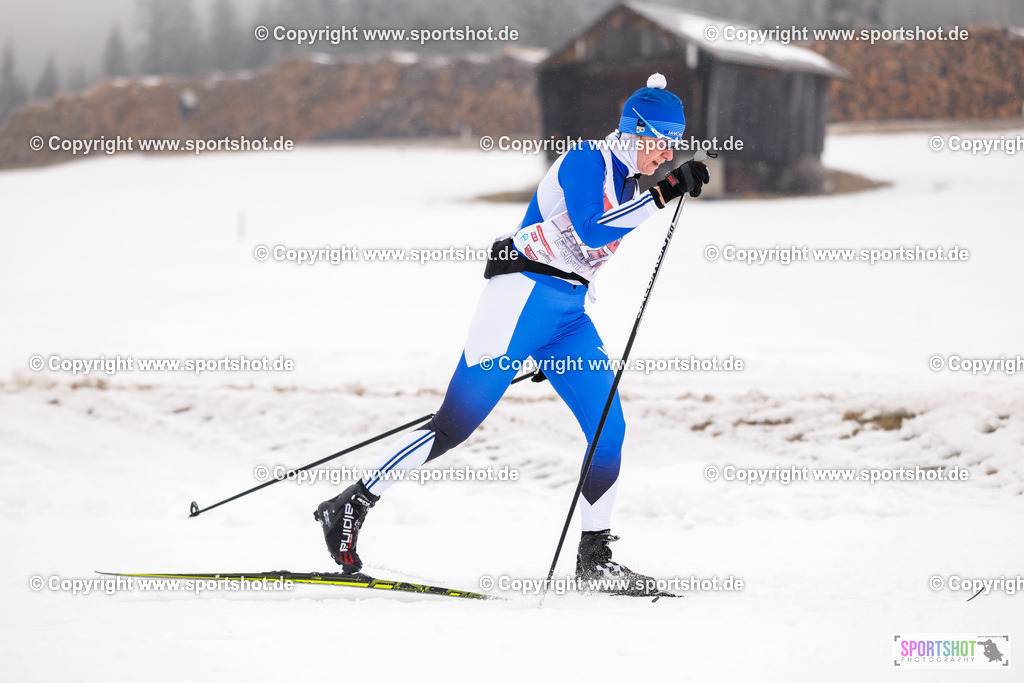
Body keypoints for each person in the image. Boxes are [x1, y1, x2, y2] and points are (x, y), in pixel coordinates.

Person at [315, 73, 709, 591]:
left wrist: (657, 191)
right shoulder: (586, 160)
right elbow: (591, 229)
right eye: (661, 143)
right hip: (519, 301)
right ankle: (351, 504)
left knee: (608, 430)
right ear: (635, 131)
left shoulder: (630, 186)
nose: (667, 155)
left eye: (674, 147)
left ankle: (594, 559)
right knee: (453, 425)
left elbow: (586, 252)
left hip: (567, 320)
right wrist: (667, 190)